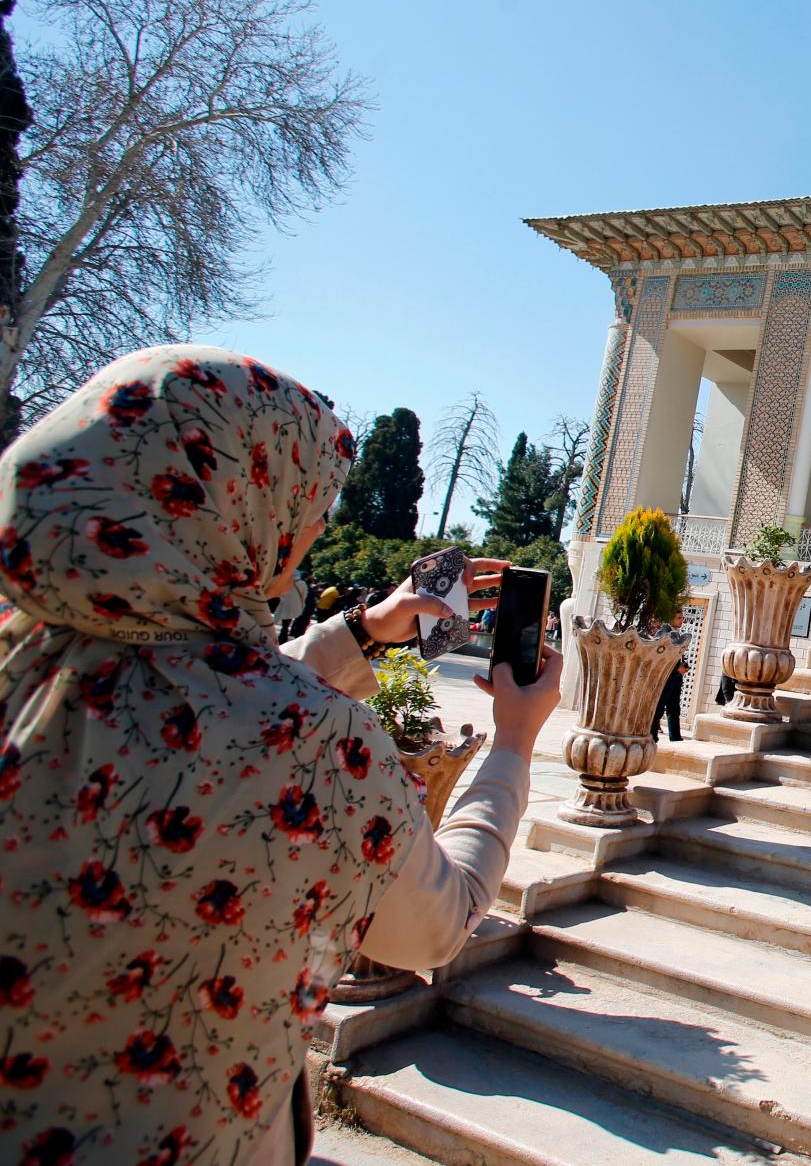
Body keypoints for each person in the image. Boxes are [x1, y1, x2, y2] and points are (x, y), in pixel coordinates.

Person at [0, 346, 565, 1165]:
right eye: (302, 511)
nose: (304, 538)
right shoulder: (312, 743)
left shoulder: (28, 661)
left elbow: (184, 705)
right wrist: (512, 746)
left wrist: (365, 627)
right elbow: (435, 924)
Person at [650, 609, 692, 743]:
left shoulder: (675, 632)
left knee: (674, 708)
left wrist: (682, 665)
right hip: (665, 679)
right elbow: (660, 655)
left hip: (675, 679)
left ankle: (675, 737)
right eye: (679, 617)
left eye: (682, 617)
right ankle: (652, 735)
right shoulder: (663, 633)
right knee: (658, 708)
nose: (682, 620)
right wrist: (676, 668)